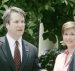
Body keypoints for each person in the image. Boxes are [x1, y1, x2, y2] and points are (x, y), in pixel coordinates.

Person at [0, 6, 47, 71]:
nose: (21, 25)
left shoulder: (32, 50)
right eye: (16, 22)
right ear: (7, 24)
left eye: (22, 22)